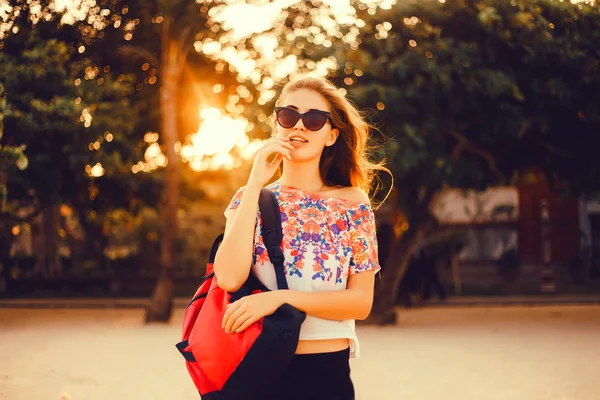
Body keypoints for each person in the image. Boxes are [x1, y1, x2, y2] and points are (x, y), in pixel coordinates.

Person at [213, 75, 390, 400]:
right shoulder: (250, 197)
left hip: (326, 374)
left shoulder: (352, 203)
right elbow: (228, 277)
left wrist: (281, 297)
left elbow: (361, 303)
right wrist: (254, 184)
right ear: (277, 123)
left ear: (332, 135)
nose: (299, 127)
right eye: (289, 116)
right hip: (260, 369)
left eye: (313, 119)